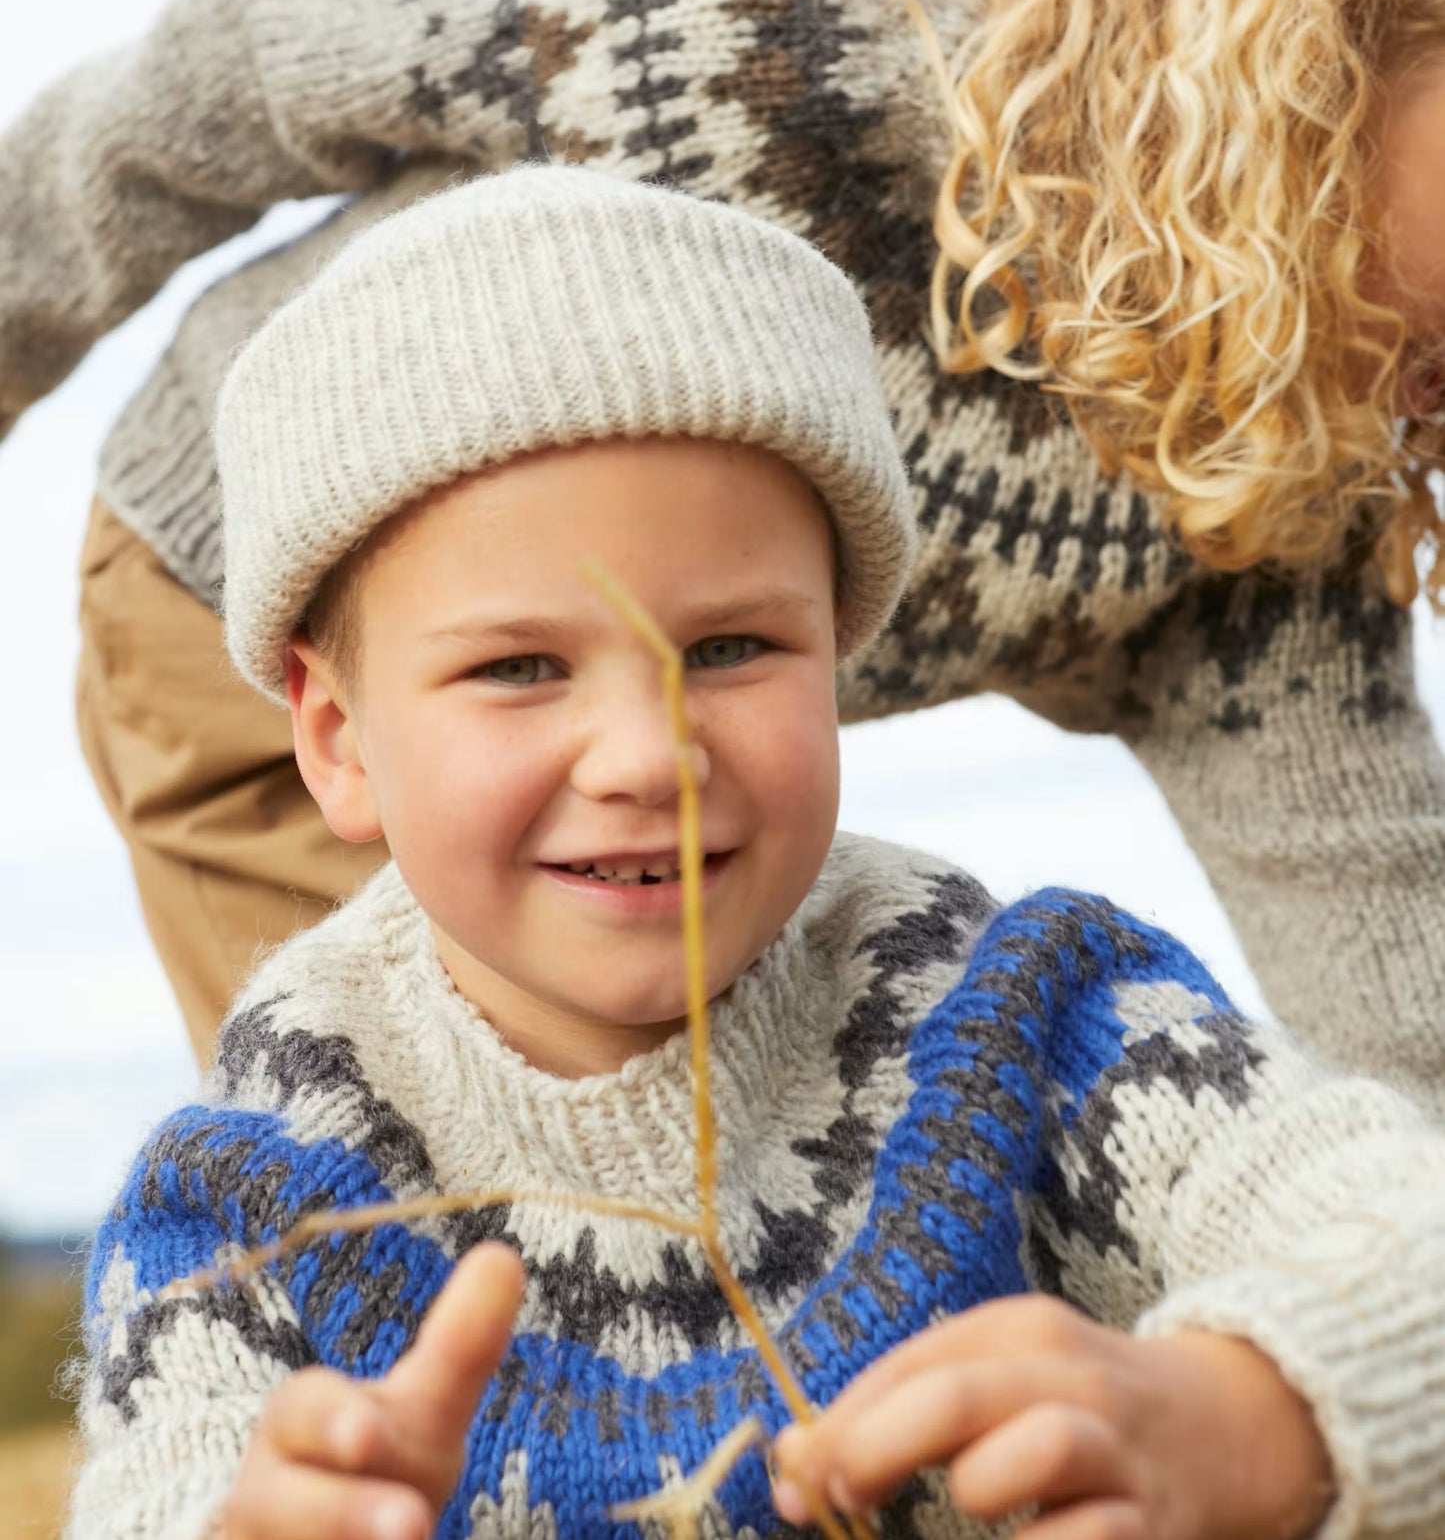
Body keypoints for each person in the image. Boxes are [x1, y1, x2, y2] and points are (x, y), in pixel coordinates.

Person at [5, 0, 1445, 1103]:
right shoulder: (727, 4)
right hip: (246, 619)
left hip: (649, 767)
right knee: (431, 1169)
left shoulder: (1254, 508)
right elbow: (222, 73)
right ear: (1299, 82)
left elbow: (1380, 958)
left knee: (739, 1174)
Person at [66, 169, 1445, 1540]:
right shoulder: (254, 1194)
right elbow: (157, 1492)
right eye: (518, 666)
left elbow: (1394, 1223)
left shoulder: (1023, 1020)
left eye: (729, 648)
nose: (646, 752)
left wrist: (1259, 1414)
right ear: (337, 739)